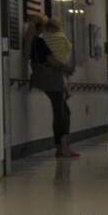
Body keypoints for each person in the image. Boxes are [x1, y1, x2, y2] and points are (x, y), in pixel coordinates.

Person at [30, 16, 77, 158]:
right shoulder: (39, 42)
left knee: (64, 112)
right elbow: (53, 61)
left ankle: (62, 145)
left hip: (49, 79)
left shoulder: (38, 41)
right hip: (52, 79)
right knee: (60, 113)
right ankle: (62, 146)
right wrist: (66, 67)